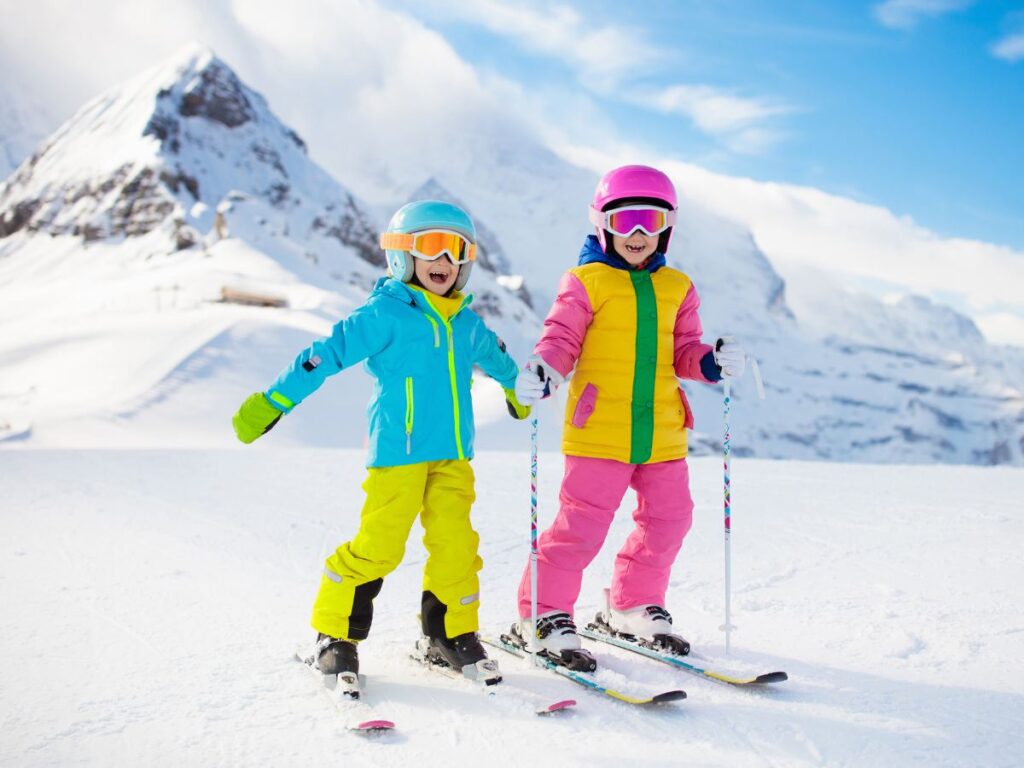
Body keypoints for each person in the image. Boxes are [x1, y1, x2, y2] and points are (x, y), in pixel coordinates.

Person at [231, 200, 530, 684]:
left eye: (457, 250)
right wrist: (273, 401)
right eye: (431, 247)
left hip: (453, 456)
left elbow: (500, 361)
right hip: (399, 453)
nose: (445, 261)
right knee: (379, 547)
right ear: (401, 255)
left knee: (457, 547)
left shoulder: (466, 322)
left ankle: (448, 636)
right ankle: (334, 635)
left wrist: (521, 393)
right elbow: (324, 356)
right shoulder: (384, 314)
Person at [511, 165, 746, 668]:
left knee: (670, 520)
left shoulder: (678, 287)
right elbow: (561, 340)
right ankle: (543, 614)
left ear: (667, 225)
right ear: (602, 223)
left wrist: (710, 361)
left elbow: (684, 350)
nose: (637, 233)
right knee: (579, 529)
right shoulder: (585, 282)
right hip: (599, 431)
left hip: (662, 430)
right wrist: (544, 371)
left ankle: (632, 604)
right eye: (624, 221)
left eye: (650, 219)